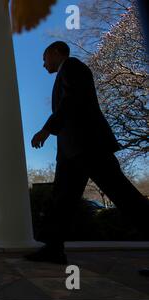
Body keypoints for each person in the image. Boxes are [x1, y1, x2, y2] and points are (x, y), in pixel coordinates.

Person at [26, 41, 149, 265]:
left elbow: (71, 100)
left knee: (125, 197)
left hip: (89, 146)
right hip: (70, 151)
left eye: (45, 58)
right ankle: (54, 249)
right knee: (61, 201)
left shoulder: (73, 66)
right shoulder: (65, 73)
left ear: (56, 52)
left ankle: (54, 248)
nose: (43, 65)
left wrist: (47, 129)